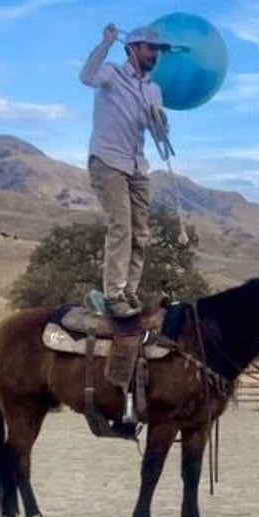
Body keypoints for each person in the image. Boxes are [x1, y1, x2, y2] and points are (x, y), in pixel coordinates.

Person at [80, 23, 171, 318]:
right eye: (150, 48)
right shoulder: (111, 73)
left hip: (137, 165)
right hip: (108, 160)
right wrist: (104, 43)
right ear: (133, 48)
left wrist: (161, 125)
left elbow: (158, 134)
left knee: (141, 232)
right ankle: (114, 293)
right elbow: (86, 76)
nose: (155, 55)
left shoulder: (154, 90)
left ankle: (130, 290)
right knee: (121, 224)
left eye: (157, 50)